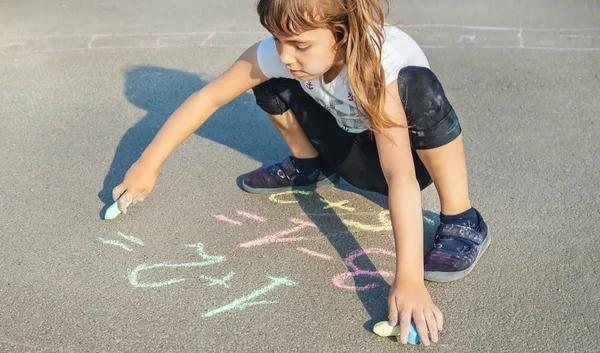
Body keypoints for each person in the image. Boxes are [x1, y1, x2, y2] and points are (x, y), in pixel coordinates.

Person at [112, 0, 491, 346]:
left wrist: (407, 280)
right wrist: (147, 164)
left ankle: (463, 218)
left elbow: (401, 178)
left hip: (407, 159)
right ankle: (309, 167)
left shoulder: (380, 63)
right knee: (268, 77)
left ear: (342, 33)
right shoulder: (287, 52)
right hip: (348, 148)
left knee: (420, 88)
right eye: (277, 40)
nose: (285, 54)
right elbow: (209, 96)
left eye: (299, 45)